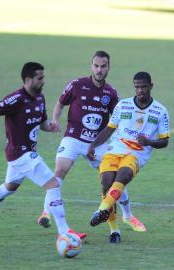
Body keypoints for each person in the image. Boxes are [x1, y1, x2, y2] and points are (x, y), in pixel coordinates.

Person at [0, 62, 84, 239]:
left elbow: (41, 123)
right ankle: (65, 232)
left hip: (22, 154)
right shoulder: (15, 99)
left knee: (9, 187)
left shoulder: (40, 98)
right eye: (40, 78)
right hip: (21, 154)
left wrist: (50, 126)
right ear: (28, 79)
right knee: (53, 184)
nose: (43, 81)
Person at [37, 51, 147, 234]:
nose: (99, 70)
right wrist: (55, 120)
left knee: (114, 179)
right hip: (73, 137)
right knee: (59, 170)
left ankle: (128, 216)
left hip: (97, 143)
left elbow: (119, 119)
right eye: (96, 66)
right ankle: (46, 213)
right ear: (91, 66)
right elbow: (60, 103)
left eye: (103, 66)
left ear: (108, 68)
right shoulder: (77, 85)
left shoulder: (110, 93)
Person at [86, 71, 170, 243]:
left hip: (137, 154)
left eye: (144, 87)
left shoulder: (160, 111)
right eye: (137, 87)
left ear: (151, 86)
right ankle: (114, 231)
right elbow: (109, 129)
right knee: (106, 184)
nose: (140, 90)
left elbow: (165, 141)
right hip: (114, 149)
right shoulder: (123, 105)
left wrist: (149, 142)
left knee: (122, 177)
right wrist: (93, 145)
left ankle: (101, 210)